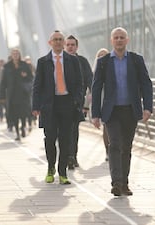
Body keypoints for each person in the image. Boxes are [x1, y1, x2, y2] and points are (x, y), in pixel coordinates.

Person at [92, 27, 153, 196]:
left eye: (122, 37)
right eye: (116, 37)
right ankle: (116, 183)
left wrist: (148, 107)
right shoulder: (104, 62)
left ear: (127, 40)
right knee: (115, 145)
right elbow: (96, 88)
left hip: (131, 110)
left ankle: (125, 183)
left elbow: (146, 84)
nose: (119, 40)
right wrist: (95, 114)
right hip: (112, 112)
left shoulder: (136, 60)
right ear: (112, 41)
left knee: (126, 147)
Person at [32, 30, 84, 185]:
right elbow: (37, 85)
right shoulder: (43, 62)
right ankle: (50, 168)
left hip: (67, 103)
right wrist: (35, 106)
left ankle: (63, 172)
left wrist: (77, 101)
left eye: (61, 39)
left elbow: (79, 83)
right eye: (55, 39)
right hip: (49, 105)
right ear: (50, 43)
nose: (58, 42)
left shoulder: (72, 61)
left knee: (65, 140)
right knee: (50, 139)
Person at [64, 35, 93, 169]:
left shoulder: (82, 61)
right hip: (61, 102)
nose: (70, 47)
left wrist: (90, 99)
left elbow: (90, 80)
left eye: (72, 45)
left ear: (76, 47)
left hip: (77, 102)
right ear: (65, 46)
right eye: (68, 44)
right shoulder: (59, 61)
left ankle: (72, 157)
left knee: (74, 130)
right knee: (62, 131)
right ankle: (66, 155)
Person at [0, 48, 34, 140]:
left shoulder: (24, 65)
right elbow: (3, 82)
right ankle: (17, 133)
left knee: (23, 112)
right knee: (14, 113)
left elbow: (31, 77)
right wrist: (1, 95)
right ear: (11, 55)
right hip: (12, 94)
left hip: (23, 93)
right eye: (13, 53)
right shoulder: (7, 67)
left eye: (17, 53)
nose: (15, 55)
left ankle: (23, 127)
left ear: (19, 55)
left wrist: (25, 76)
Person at [92, 48, 110, 162]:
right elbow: (93, 90)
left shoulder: (112, 69)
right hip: (102, 101)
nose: (102, 58)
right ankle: (108, 150)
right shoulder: (95, 71)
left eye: (104, 55)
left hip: (112, 100)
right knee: (106, 127)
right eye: (100, 56)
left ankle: (114, 150)